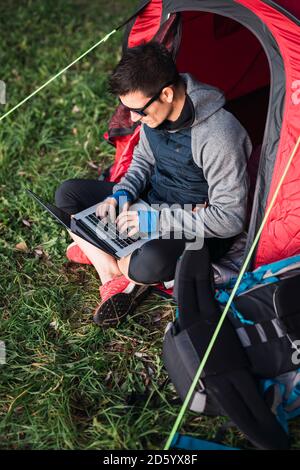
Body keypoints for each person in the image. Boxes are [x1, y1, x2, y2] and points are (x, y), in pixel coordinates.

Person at [55, 42, 252, 327]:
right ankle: (112, 270)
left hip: (195, 226)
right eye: (127, 110)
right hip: (149, 204)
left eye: (139, 111)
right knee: (68, 194)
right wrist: (122, 194)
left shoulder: (219, 135)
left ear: (167, 94)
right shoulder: (152, 115)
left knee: (148, 262)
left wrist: (155, 221)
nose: (134, 119)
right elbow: (141, 164)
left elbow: (230, 219)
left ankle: (99, 250)